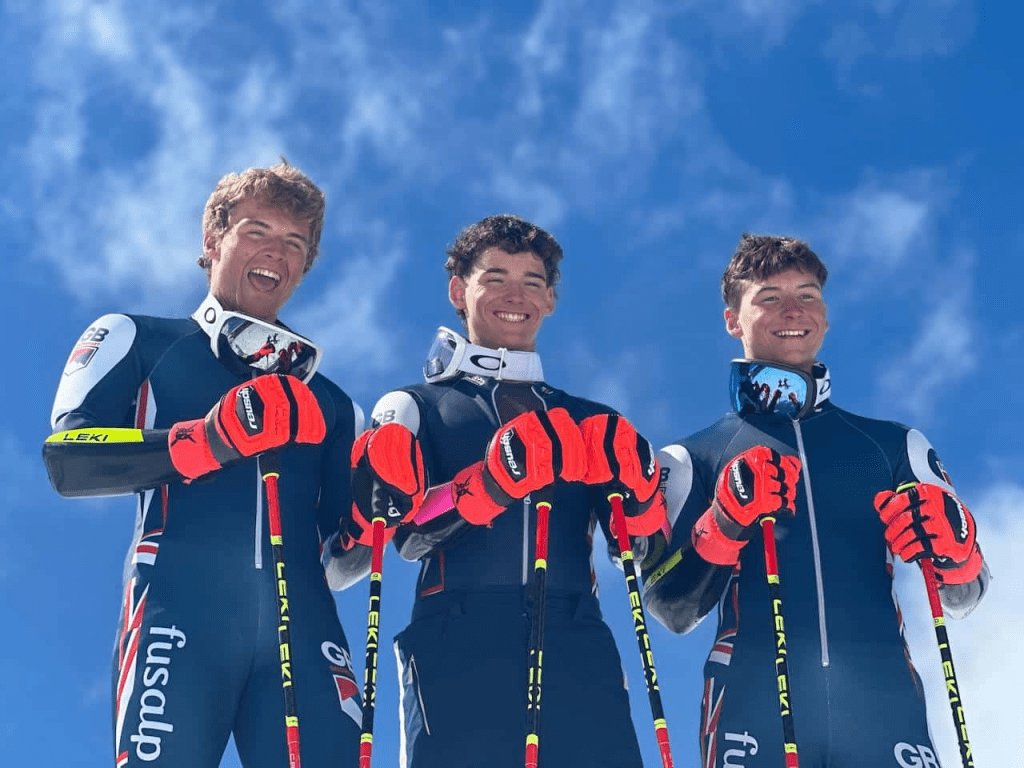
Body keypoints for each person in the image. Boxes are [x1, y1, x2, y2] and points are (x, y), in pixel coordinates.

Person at [42, 162, 369, 768]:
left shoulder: (337, 407)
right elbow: (68, 457)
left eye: (294, 243)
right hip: (177, 618)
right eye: (256, 230)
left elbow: (344, 562)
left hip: (306, 637)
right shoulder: (136, 338)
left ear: (304, 266)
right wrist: (207, 441)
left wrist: (377, 517)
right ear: (213, 239)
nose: (276, 252)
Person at [327, 214, 668, 768]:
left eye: (532, 282)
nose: (516, 296)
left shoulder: (595, 421)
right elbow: (403, 538)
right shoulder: (415, 405)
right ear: (457, 291)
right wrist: (486, 487)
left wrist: (645, 500)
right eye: (495, 278)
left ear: (550, 299)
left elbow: (644, 557)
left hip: (578, 640)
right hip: (458, 636)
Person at [641, 233, 990, 768]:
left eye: (807, 295)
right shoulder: (692, 457)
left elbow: (967, 595)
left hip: (885, 710)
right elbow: (670, 607)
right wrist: (724, 523)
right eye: (769, 297)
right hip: (751, 709)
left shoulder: (895, 446)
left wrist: (958, 551)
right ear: (733, 320)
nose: (793, 310)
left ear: (825, 316)